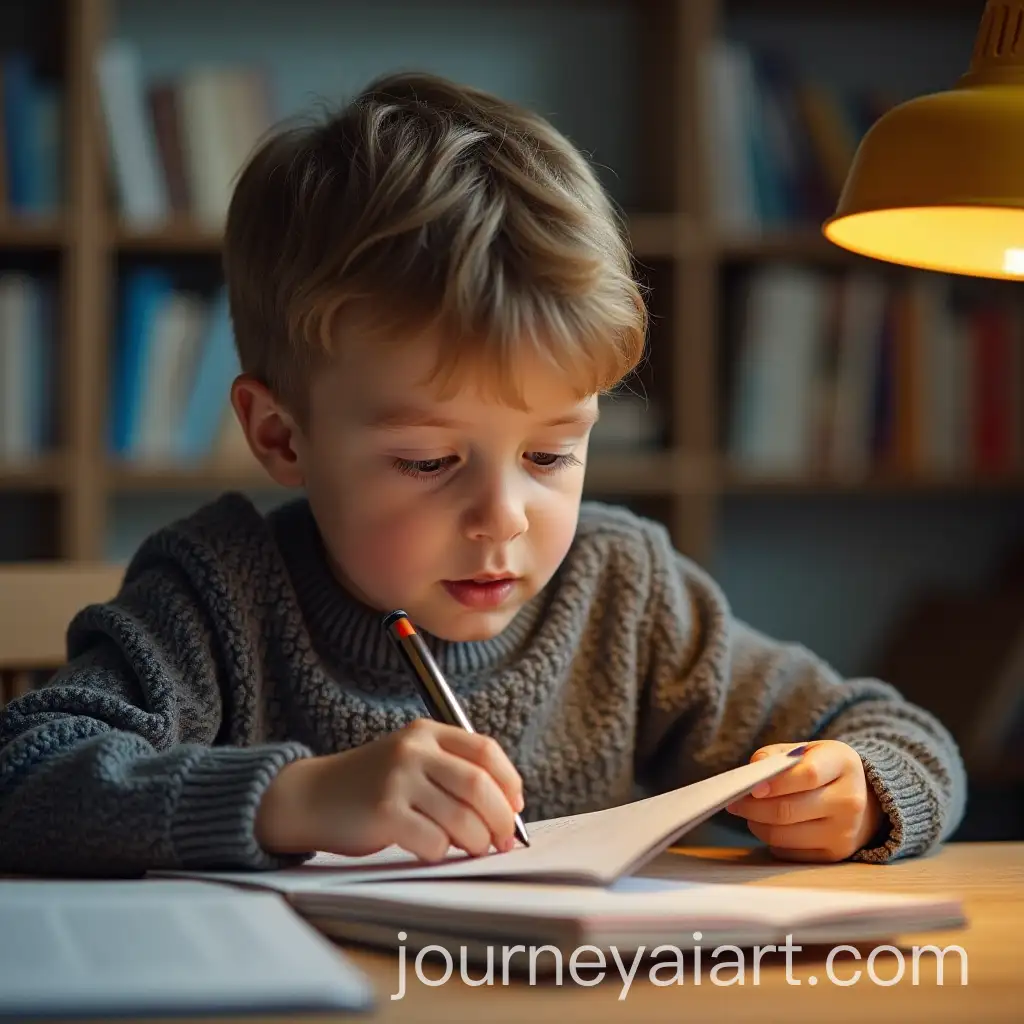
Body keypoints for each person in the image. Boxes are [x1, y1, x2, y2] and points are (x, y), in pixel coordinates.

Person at [0, 72, 964, 877]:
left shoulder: (621, 590)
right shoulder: (219, 594)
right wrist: (291, 801)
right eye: (428, 460)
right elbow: (27, 779)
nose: (503, 517)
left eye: (550, 453)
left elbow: (897, 733)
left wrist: (861, 792)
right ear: (283, 437)